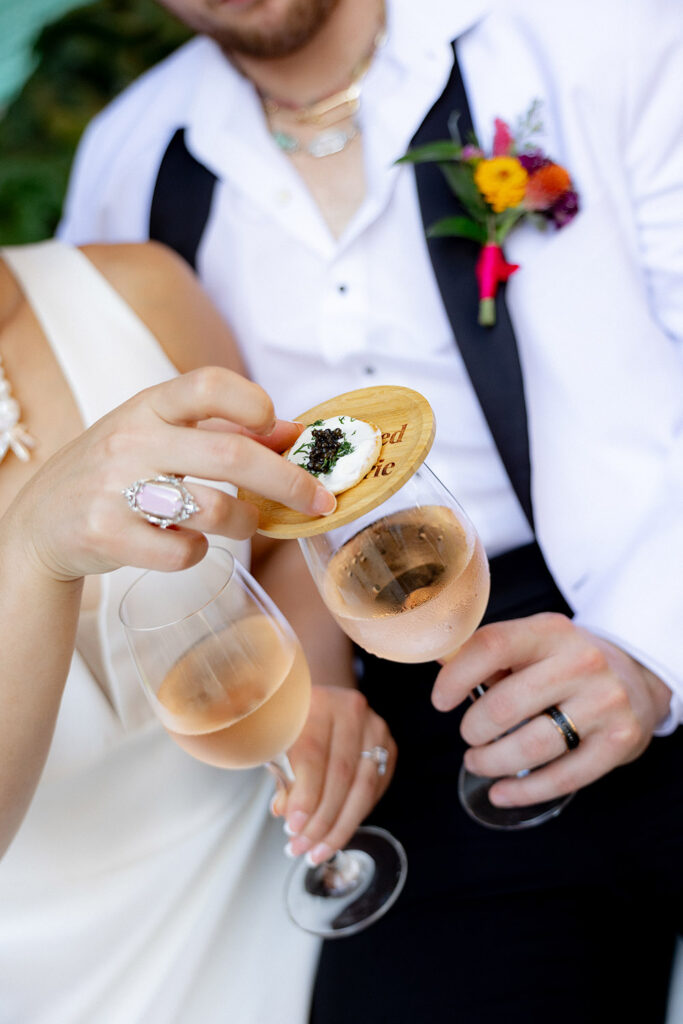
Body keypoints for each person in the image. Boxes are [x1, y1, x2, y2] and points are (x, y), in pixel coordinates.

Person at [57, 0, 683, 1020]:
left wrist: (654, 650)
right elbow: (182, 496)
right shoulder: (129, 163)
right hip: (414, 709)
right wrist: (317, 681)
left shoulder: (602, 33)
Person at [0, 237, 398, 1023]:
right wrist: (33, 550)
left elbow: (283, 540)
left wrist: (318, 689)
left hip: (298, 884)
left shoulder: (134, 288)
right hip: (64, 986)